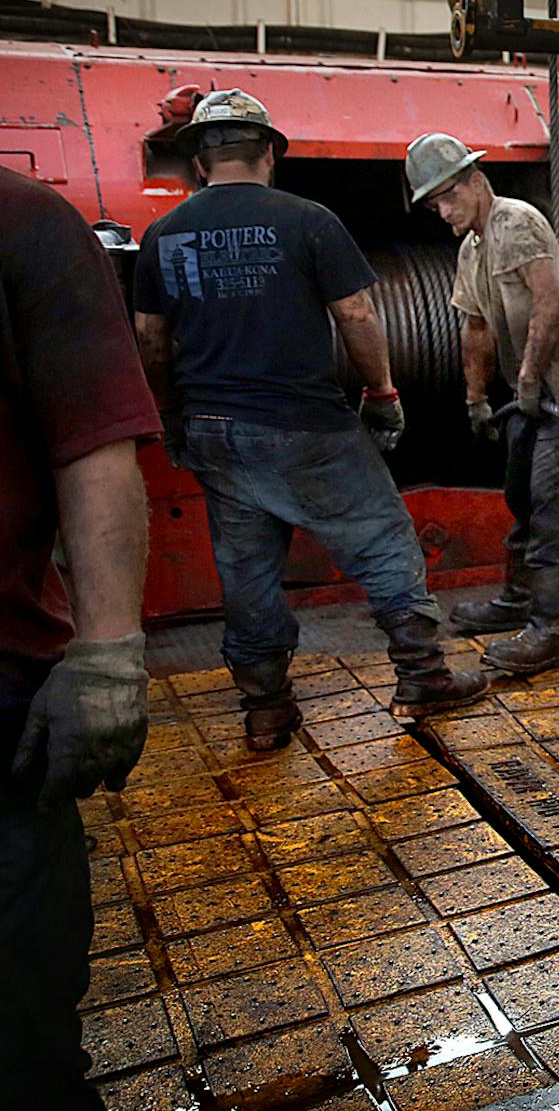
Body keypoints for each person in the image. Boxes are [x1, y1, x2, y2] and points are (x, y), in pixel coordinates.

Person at [134, 90, 488, 750]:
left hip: (214, 430)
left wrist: (174, 418)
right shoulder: (307, 220)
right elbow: (356, 315)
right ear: (269, 153)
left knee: (246, 570)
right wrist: (382, 394)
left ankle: (267, 709)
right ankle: (422, 677)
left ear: (199, 161)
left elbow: (150, 338)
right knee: (382, 542)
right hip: (304, 425)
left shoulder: (163, 235)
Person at [1, 166, 160, 1108]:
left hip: (0, 702)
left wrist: (107, 653)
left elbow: (94, 438)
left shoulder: (19, 221)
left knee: (19, 1031)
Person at [405, 132, 559, 677]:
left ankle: (549, 632)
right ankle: (517, 602)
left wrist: (529, 379)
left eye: (447, 197)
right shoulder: (472, 246)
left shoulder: (516, 222)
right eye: (433, 204)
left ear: (476, 180)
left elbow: (550, 302)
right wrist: (475, 397)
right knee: (520, 492)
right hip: (529, 396)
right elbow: (475, 325)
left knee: (551, 503)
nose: (442, 212)